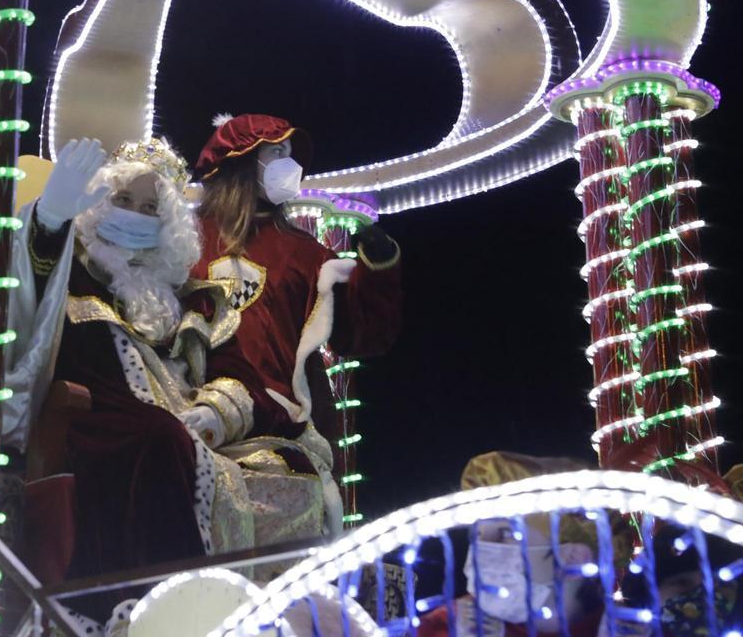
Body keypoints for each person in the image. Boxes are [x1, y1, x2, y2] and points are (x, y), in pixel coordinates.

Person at [3, 137, 326, 623]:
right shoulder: (75, 271)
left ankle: (255, 617)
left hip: (187, 430)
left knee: (294, 469)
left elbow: (236, 372)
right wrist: (49, 221)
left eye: (150, 209)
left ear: (167, 225)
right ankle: (163, 615)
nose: (134, 216)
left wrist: (214, 413)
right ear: (98, 204)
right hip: (97, 425)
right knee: (159, 440)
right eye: (123, 200)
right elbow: (28, 297)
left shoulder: (193, 297)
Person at [189, 113, 403, 527]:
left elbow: (362, 335)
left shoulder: (306, 253)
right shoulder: (185, 240)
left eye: (291, 155)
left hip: (282, 425)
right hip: (194, 413)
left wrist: (379, 269)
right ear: (242, 161)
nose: (290, 166)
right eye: (277, 153)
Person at [418, 452, 617, 637]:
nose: (482, 548)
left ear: (575, 558)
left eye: (506, 533)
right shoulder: (441, 629)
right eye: (478, 534)